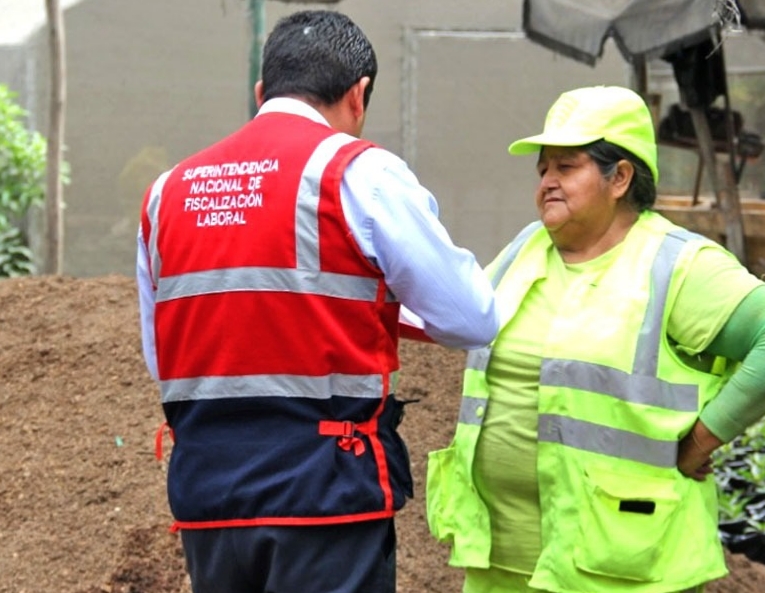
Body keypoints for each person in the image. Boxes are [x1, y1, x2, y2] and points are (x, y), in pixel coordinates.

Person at [135, 10, 498, 593]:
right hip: (326, 496)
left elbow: (165, 359)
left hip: (209, 499)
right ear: (359, 95)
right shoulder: (361, 174)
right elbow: (471, 318)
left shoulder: (167, 192)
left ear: (261, 94)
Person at [426, 85, 765, 593]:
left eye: (566, 168)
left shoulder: (674, 263)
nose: (547, 182)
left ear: (621, 178)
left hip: (617, 566)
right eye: (543, 169)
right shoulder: (527, 245)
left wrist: (702, 440)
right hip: (500, 559)